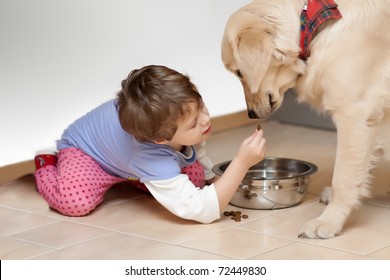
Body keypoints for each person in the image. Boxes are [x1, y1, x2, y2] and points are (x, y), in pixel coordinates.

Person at [34, 65, 266, 223]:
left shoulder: (166, 123)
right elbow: (200, 211)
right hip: (86, 154)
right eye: (194, 123)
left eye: (201, 106)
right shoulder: (150, 156)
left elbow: (196, 144)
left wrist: (210, 176)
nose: (205, 120)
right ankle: (47, 162)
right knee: (75, 202)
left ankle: (137, 178)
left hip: (127, 158)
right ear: (161, 141)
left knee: (195, 179)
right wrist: (242, 162)